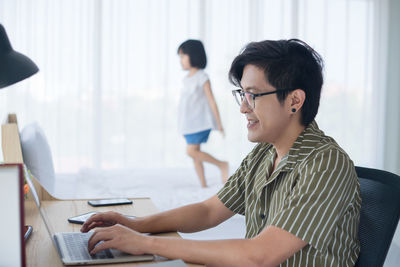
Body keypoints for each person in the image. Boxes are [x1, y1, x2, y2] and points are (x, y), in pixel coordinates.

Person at [81, 39, 361, 266]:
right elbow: (207, 211)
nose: (243, 107)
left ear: (294, 101)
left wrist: (146, 244)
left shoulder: (326, 164)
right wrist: (137, 225)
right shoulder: (264, 153)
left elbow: (260, 255)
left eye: (253, 95)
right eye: (241, 94)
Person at [177, 39, 228, 187]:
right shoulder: (186, 79)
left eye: (183, 56)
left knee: (191, 151)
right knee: (195, 154)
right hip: (187, 123)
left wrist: (219, 123)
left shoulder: (202, 76)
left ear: (193, 56)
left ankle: (221, 164)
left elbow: (212, 101)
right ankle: (203, 184)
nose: (181, 60)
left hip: (199, 122)